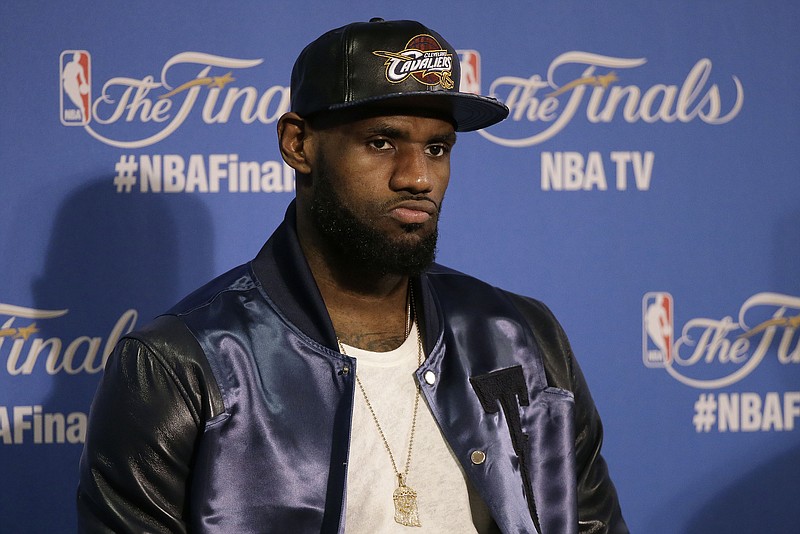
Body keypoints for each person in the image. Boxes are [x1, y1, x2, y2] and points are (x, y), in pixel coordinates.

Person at [77, 18, 627, 534]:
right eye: (381, 142)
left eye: (437, 148)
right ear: (298, 144)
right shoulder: (181, 362)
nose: (417, 177)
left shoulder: (523, 336)